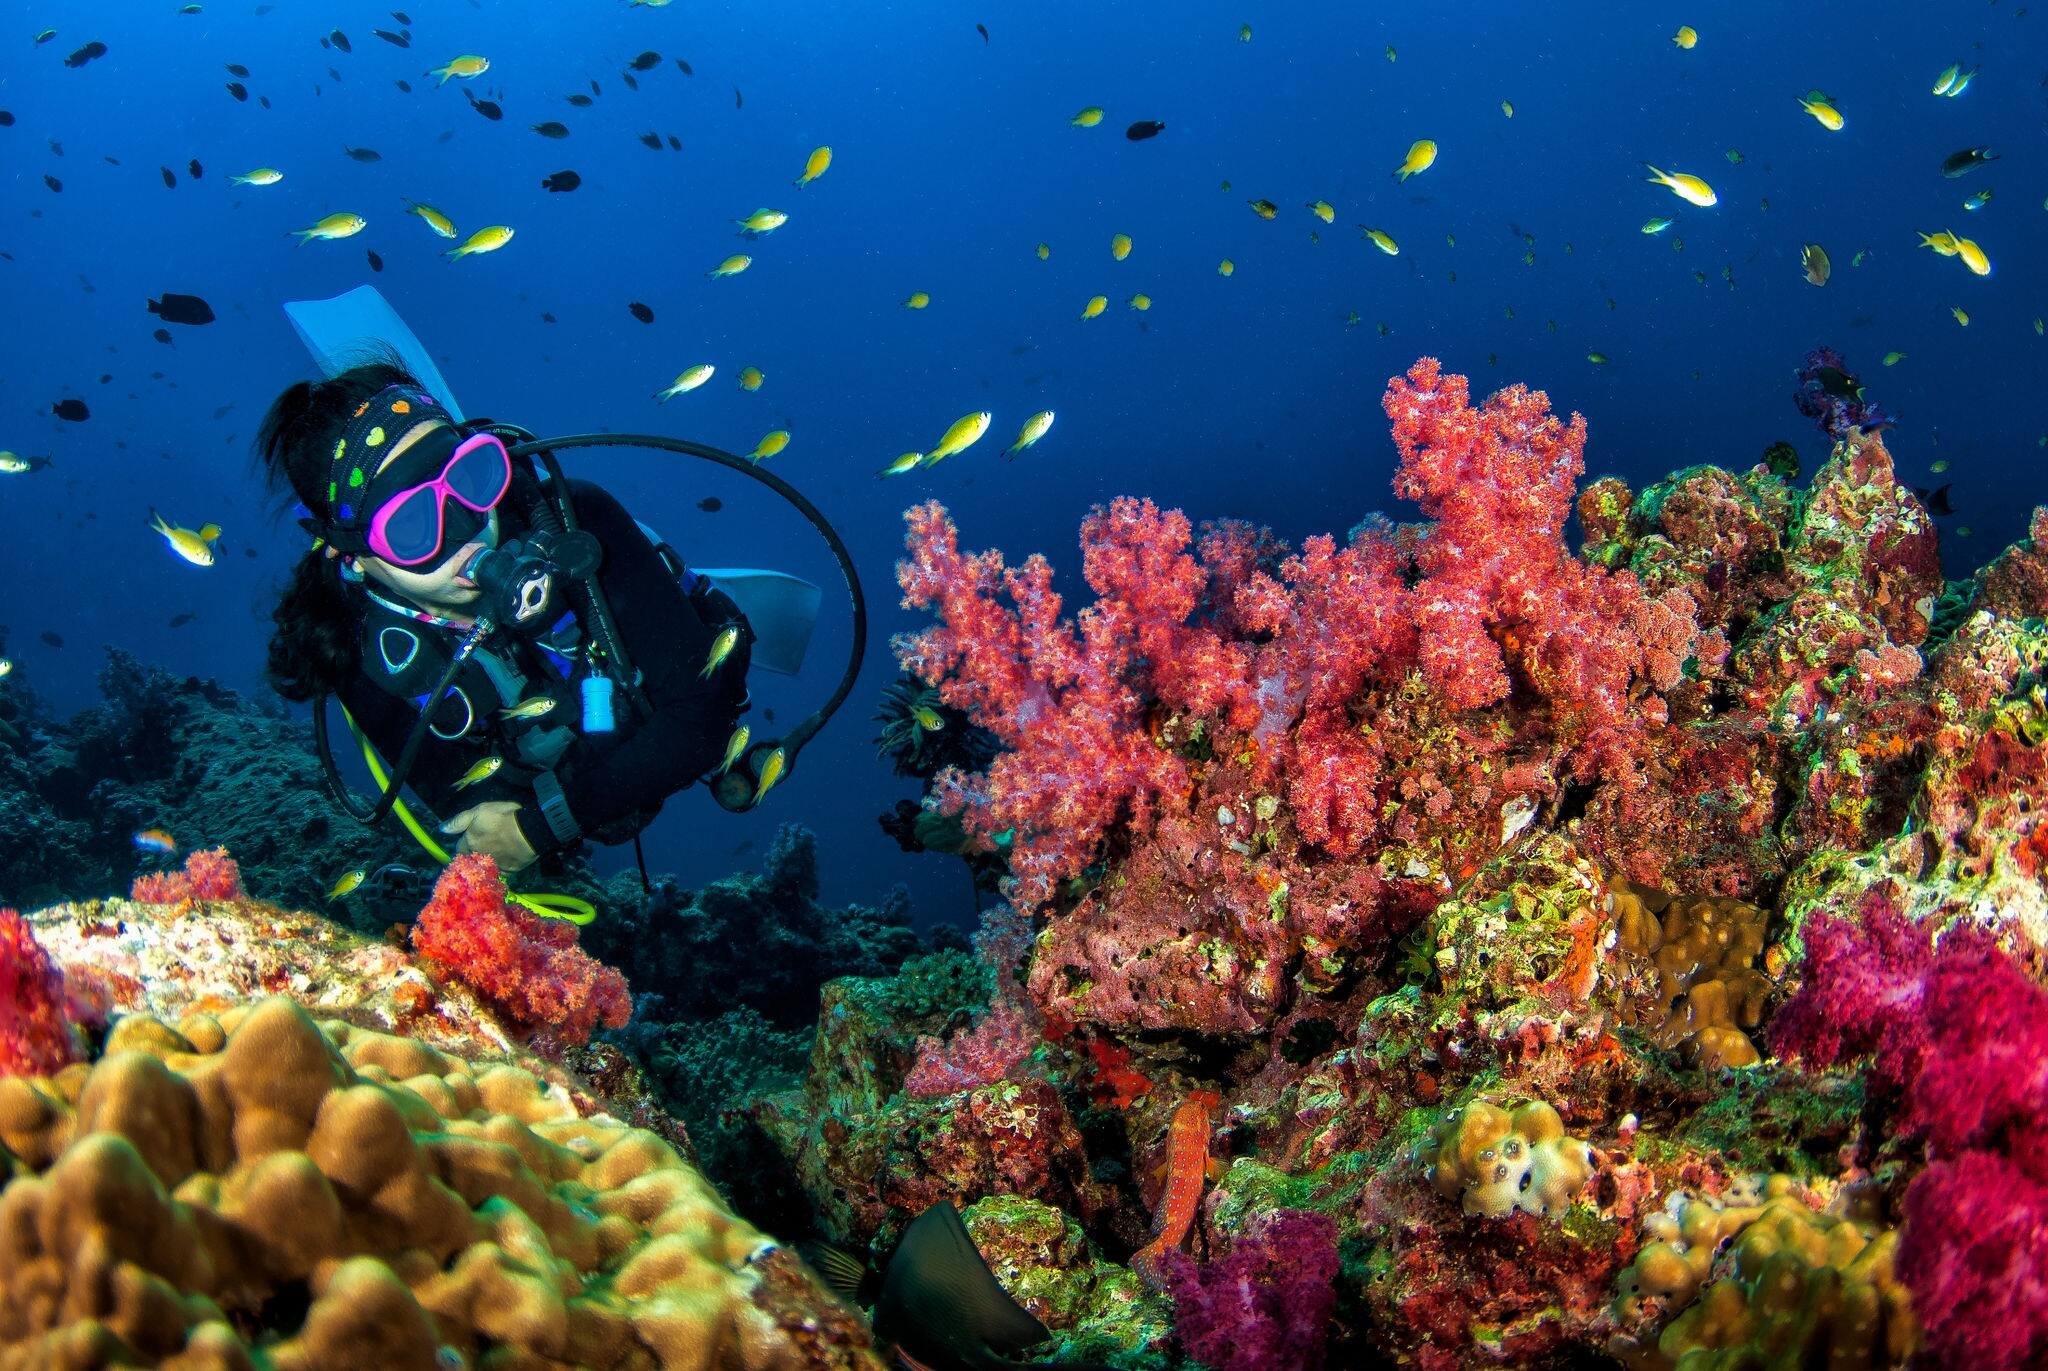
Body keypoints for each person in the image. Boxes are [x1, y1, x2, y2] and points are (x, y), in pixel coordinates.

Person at [258, 359, 754, 875]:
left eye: (470, 480)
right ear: (351, 555)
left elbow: (702, 718)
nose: (466, 531)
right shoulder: (352, 651)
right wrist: (550, 817)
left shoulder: (576, 521)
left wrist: (539, 828)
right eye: (411, 524)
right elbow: (480, 820)